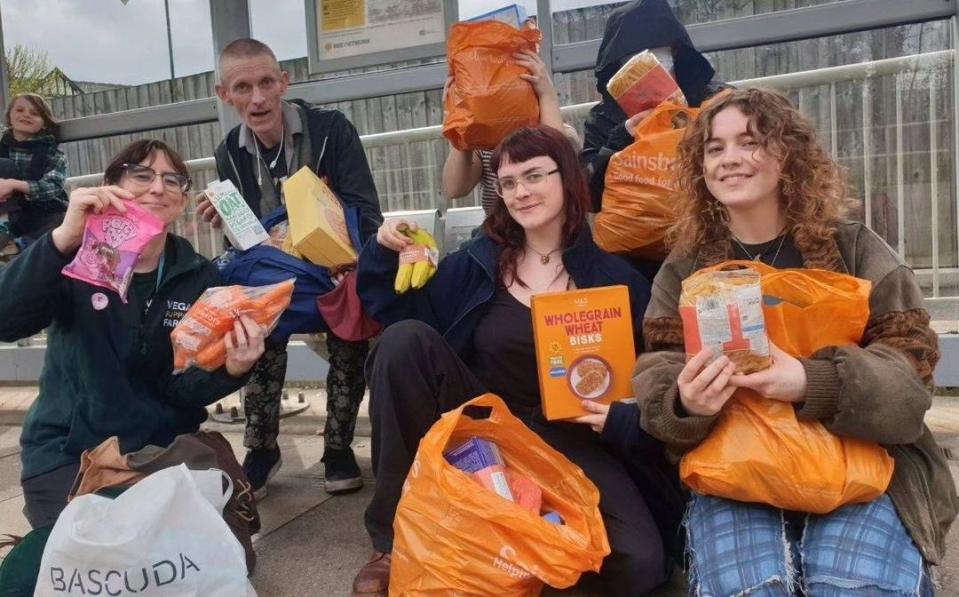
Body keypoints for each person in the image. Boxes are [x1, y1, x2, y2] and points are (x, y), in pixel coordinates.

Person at [634, 88, 959, 595]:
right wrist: (684, 401)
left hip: (864, 455)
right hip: (736, 460)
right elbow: (657, 376)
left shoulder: (854, 248)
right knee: (755, 586)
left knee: (848, 585)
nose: (730, 159)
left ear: (787, 154)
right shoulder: (683, 269)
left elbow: (910, 381)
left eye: (750, 141)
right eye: (715, 148)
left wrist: (810, 379)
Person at [352, 125, 673, 597]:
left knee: (639, 564)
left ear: (567, 179)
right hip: (487, 422)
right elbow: (401, 319)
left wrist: (624, 419)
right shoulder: (479, 261)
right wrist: (381, 254)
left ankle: (515, 566)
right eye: (508, 183)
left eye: (534, 176)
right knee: (403, 341)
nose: (520, 192)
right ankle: (390, 541)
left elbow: (655, 374)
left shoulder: (614, 277)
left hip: (572, 436)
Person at [0, 139, 265, 529]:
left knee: (202, 566)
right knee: (89, 567)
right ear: (110, 185)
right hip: (69, 451)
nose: (157, 188)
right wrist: (62, 239)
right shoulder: (77, 257)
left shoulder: (198, 276)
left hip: (161, 451)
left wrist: (232, 369)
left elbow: (179, 388)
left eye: (172, 180)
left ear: (182, 201)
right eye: (141, 174)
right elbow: (8, 321)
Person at [199, 38, 383, 499]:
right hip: (274, 273)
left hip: (331, 266)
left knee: (351, 322)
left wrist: (347, 259)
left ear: (284, 81)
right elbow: (244, 243)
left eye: (266, 82)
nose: (258, 98)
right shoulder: (229, 153)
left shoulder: (331, 130)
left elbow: (365, 207)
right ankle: (261, 447)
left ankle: (337, 446)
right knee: (251, 322)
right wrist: (227, 222)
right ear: (225, 94)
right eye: (243, 87)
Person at [582, 0, 725, 211]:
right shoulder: (603, 119)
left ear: (676, 52)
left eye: (658, 61)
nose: (649, 74)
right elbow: (588, 195)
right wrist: (619, 140)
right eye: (633, 66)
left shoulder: (716, 101)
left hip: (712, 226)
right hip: (640, 236)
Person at [442, 48, 579, 215]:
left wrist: (547, 95)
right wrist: (460, 119)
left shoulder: (562, 134)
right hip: (500, 234)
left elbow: (560, 160)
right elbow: (455, 188)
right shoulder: (484, 148)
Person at [0, 93, 68, 262]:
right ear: (9, 117)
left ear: (44, 122)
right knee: (5, 165)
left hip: (41, 211)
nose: (26, 115)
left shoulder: (52, 154)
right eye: (20, 110)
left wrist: (14, 185)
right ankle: (3, 228)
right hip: (8, 210)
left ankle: (19, 245)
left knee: (65, 218)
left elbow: (52, 186)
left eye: (35, 113)